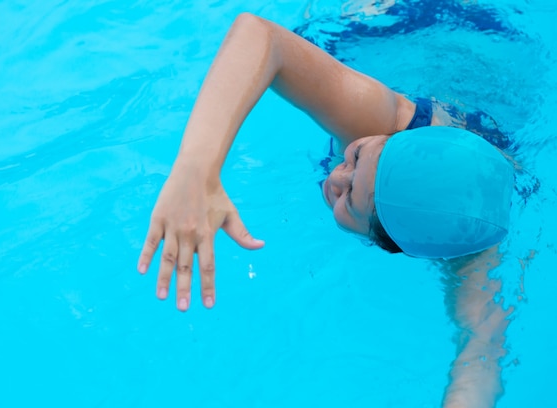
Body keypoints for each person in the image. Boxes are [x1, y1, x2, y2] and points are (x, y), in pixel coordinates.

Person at [137, 13, 518, 407]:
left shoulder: (471, 253)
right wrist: (196, 170)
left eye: (350, 198)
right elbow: (260, 34)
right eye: (356, 154)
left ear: (385, 240)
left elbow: (481, 354)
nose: (336, 177)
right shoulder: (375, 117)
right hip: (415, 26)